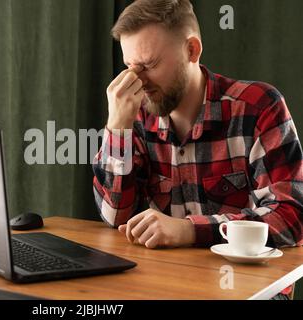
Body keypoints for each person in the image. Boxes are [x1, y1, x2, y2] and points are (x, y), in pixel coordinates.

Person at [93, 0, 303, 251]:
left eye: (149, 65)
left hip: (250, 285)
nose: (137, 80)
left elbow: (291, 217)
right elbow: (115, 216)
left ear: (192, 50)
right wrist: (117, 128)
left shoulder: (259, 107)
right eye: (130, 67)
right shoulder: (134, 116)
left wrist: (189, 230)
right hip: (167, 280)